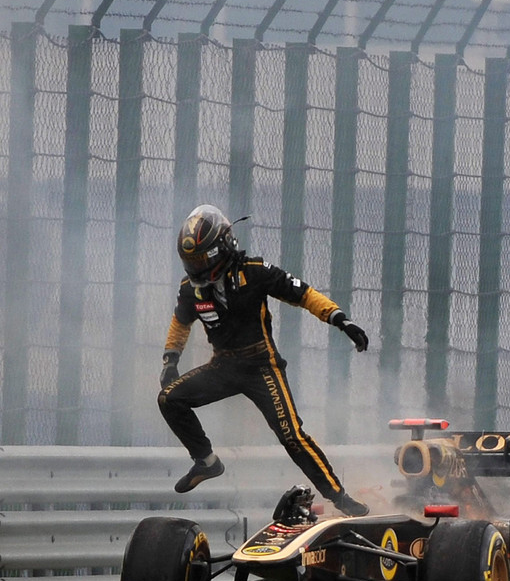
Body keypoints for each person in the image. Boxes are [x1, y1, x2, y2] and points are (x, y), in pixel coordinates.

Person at [158, 204, 372, 516]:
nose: (197, 266)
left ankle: (340, 498)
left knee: (292, 436)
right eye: (191, 260)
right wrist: (170, 359)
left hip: (262, 367)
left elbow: (304, 294)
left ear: (223, 247)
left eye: (203, 258)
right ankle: (206, 462)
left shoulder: (255, 271)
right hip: (223, 367)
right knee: (168, 399)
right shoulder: (190, 289)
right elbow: (180, 322)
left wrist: (341, 319)